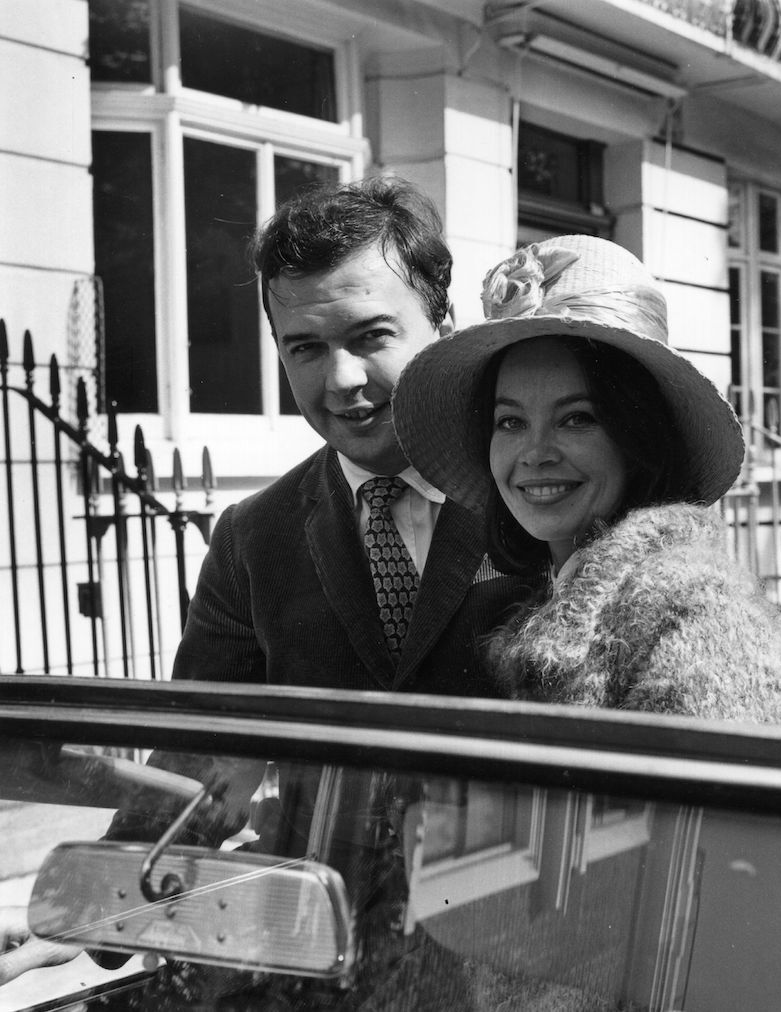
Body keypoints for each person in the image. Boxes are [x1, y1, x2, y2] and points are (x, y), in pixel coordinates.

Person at [0, 177, 544, 999]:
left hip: (516, 964)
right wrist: (84, 919)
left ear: (443, 327)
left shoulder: (535, 495)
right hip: (331, 966)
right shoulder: (254, 537)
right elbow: (199, 764)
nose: (343, 379)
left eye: (371, 335)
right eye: (306, 348)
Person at [392, 234, 781, 726]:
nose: (535, 454)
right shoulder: (551, 595)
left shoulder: (697, 612)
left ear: (637, 437)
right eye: (510, 422)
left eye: (577, 419)